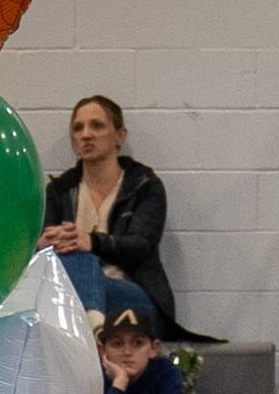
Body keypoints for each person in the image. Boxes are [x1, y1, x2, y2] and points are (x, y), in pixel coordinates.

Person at [41, 96, 196, 339]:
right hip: (72, 297)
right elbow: (48, 247)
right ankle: (96, 327)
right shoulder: (59, 191)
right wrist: (45, 244)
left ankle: (93, 331)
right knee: (78, 260)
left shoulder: (145, 186)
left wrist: (91, 242)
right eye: (78, 128)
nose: (86, 135)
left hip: (134, 295)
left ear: (120, 136)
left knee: (83, 257)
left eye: (97, 126)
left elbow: (141, 246)